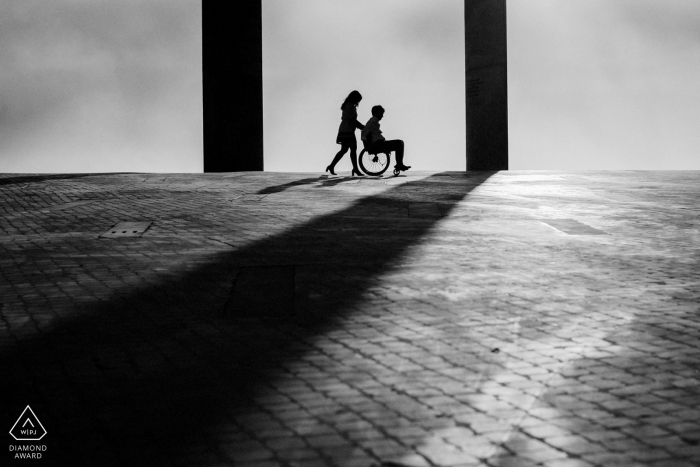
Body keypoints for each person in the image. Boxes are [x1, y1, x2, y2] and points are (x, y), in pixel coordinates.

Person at [326, 91, 365, 176]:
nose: (358, 102)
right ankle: (355, 169)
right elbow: (352, 120)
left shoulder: (347, 105)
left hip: (344, 129)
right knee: (353, 150)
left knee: (344, 150)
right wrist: (361, 126)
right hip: (348, 130)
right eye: (358, 100)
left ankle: (332, 166)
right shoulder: (350, 106)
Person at [361, 105, 410, 172]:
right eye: (381, 113)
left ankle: (399, 164)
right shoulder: (373, 121)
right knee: (399, 143)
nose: (382, 116)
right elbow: (364, 132)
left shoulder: (374, 121)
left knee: (400, 143)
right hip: (378, 144)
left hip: (379, 143)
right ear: (376, 112)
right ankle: (399, 164)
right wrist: (366, 145)